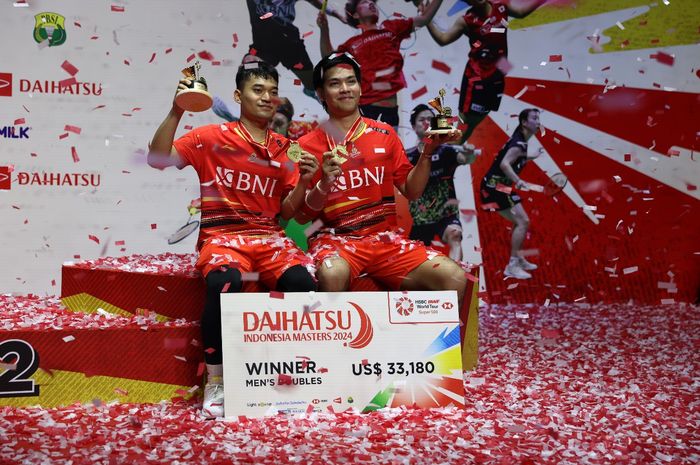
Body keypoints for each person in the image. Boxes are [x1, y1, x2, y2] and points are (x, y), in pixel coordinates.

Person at [148, 61, 324, 418]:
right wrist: (176, 109)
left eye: (272, 92)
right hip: (224, 238)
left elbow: (287, 213)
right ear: (238, 96)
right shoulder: (210, 138)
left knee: (302, 283)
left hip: (269, 240)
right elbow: (157, 158)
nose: (266, 98)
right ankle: (217, 380)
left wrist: (305, 182)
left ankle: (287, 377)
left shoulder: (286, 149)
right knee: (223, 282)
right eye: (258, 90)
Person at [296, 52, 468, 308]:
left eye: (351, 81)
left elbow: (412, 190)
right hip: (334, 242)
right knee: (332, 275)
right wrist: (324, 183)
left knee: (453, 277)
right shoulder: (305, 145)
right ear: (320, 93)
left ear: (361, 87)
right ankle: (337, 348)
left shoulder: (384, 133)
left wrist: (428, 152)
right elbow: (301, 216)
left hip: (385, 241)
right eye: (335, 83)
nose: (345, 89)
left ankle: (429, 348)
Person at [426, 0, 547, 143]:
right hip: (476, 80)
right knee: (463, 129)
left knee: (470, 127)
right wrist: (425, 18)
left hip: (495, 80)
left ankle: (445, 153)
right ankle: (437, 156)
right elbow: (443, 39)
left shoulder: (501, 6)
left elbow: (521, 13)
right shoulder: (466, 20)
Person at [317, 0, 444, 127]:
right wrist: (324, 29)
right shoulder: (352, 44)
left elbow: (424, 18)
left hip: (391, 111)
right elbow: (329, 57)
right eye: (365, 2)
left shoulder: (392, 28)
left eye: (372, 2)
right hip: (365, 110)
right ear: (355, 15)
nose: (371, 4)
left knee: (386, 147)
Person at [406, 103, 477, 261]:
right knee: (413, 262)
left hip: (446, 214)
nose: (426, 122)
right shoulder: (407, 157)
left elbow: (465, 159)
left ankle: (453, 280)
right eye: (421, 120)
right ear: (413, 126)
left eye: (430, 119)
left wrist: (470, 154)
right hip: (420, 218)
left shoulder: (447, 151)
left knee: (455, 235)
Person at [479, 107, 541, 279]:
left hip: (499, 187)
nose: (538, 122)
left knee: (521, 221)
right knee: (523, 221)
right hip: (493, 187)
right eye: (534, 118)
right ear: (523, 122)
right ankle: (512, 265)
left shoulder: (521, 142)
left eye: (538, 118)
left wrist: (531, 157)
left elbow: (515, 158)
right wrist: (519, 181)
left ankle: (517, 259)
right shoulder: (518, 143)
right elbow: (505, 164)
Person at [246, 0, 347, 101]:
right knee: (248, 64)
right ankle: (246, 101)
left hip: (290, 43)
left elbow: (316, 2)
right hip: (263, 45)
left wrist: (336, 14)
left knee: (312, 85)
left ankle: (310, 90)